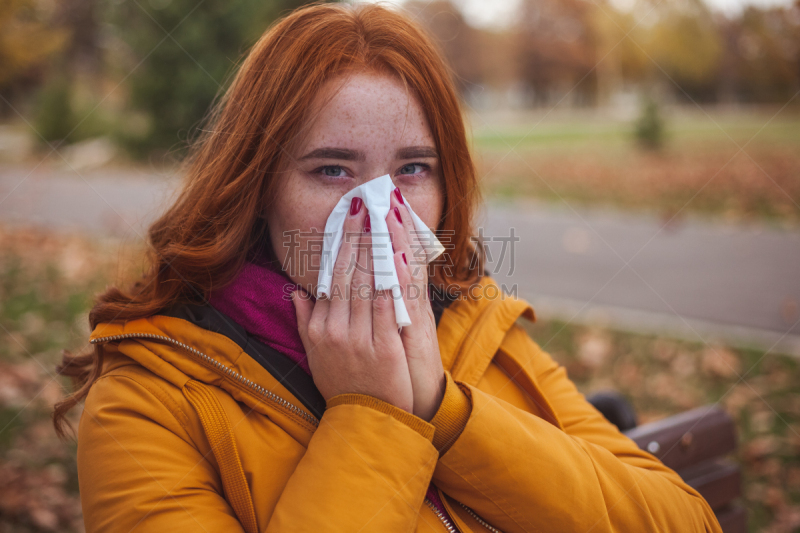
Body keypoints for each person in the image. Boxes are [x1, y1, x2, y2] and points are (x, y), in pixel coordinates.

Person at [53, 3, 723, 532]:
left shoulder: (477, 326)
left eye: (412, 168)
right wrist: (370, 415)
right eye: (332, 169)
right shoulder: (148, 401)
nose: (381, 210)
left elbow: (685, 519)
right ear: (257, 187)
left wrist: (445, 410)